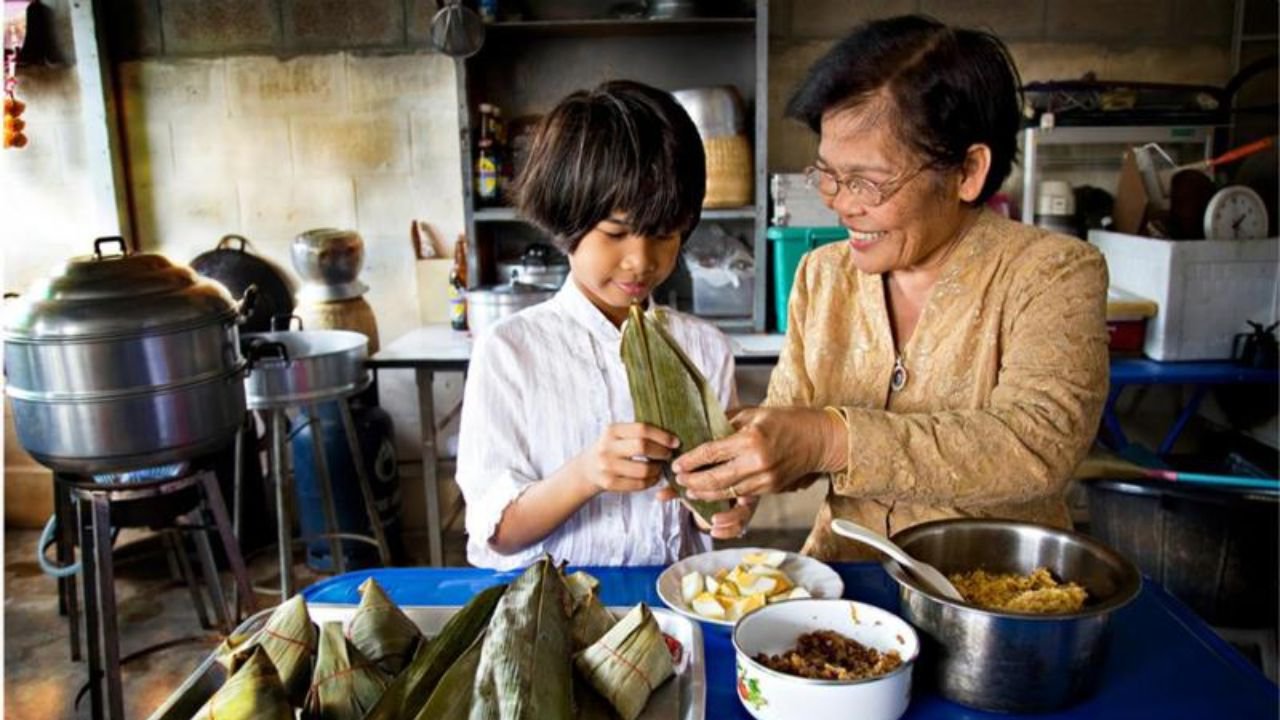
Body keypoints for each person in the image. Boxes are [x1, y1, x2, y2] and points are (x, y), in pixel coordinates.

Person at [672, 15, 1110, 560]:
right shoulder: (822, 275)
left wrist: (833, 439)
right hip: (844, 584)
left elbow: (1034, 446)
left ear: (967, 171)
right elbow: (792, 424)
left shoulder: (1051, 274)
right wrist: (747, 475)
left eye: (868, 182)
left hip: (989, 592)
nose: (840, 202)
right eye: (828, 174)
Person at [455, 80, 754, 570]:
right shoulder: (509, 351)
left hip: (667, 608)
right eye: (615, 233)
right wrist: (585, 474)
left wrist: (727, 509)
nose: (640, 260)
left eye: (664, 234)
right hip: (550, 618)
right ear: (565, 220)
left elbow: (721, 500)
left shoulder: (705, 349)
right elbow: (499, 534)